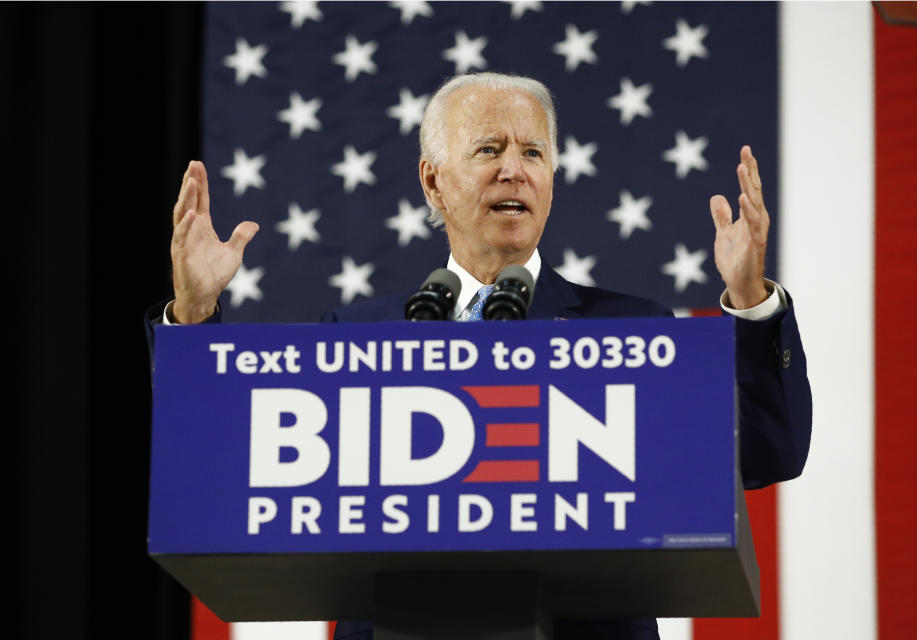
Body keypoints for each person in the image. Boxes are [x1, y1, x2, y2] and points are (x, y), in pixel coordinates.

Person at [149, 72, 811, 640]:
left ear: (552, 177)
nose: (514, 169)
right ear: (433, 183)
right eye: (489, 148)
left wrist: (749, 299)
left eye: (533, 152)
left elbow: (764, 452)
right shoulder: (354, 336)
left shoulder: (631, 331)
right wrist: (195, 318)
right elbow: (220, 461)